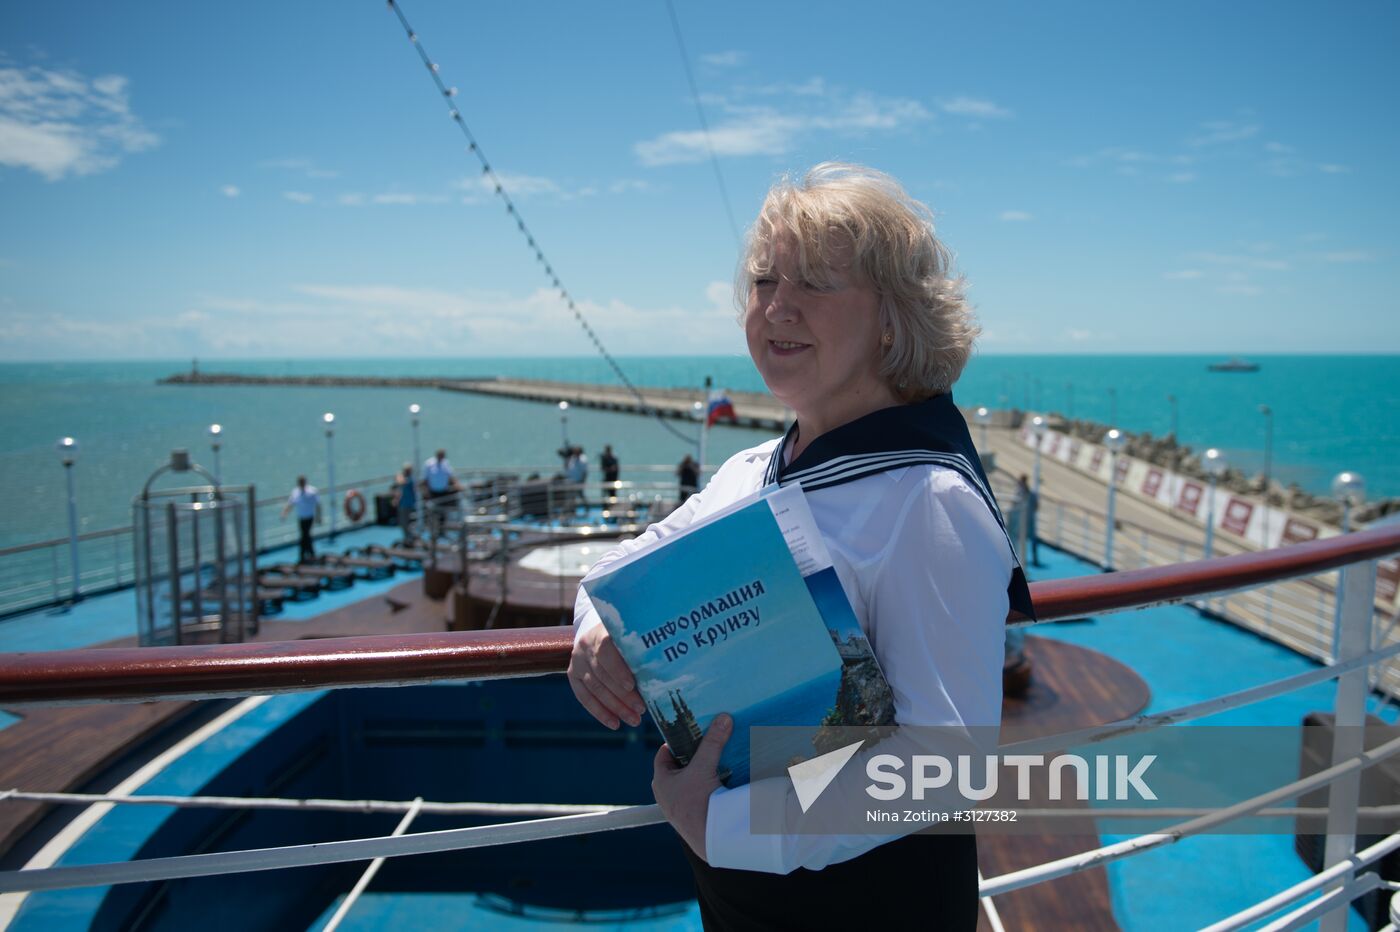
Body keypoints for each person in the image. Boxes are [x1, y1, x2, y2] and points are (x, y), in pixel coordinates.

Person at [568, 163, 1034, 929]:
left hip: (872, 900)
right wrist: (592, 629)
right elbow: (620, 570)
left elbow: (944, 765)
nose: (776, 308)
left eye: (816, 283)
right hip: (746, 895)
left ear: (893, 317)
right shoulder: (751, 471)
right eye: (762, 281)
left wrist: (724, 826)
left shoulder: (928, 500)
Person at [280, 475, 321, 563]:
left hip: (309, 517)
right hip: (301, 517)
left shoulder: (312, 491)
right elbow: (290, 504)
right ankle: (310, 554)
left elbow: (318, 505)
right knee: (305, 535)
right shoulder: (296, 492)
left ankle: (304, 555)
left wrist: (318, 516)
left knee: (305, 535)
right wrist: (284, 513)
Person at [422, 449, 459, 537]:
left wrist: (457, 485)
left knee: (443, 512)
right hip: (433, 493)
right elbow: (425, 479)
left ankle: (442, 531)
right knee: (433, 512)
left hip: (444, 492)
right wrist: (425, 492)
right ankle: (433, 531)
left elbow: (451, 476)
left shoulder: (445, 463)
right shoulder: (429, 464)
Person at [1017, 473, 1042, 566]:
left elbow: (1036, 506)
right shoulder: (1027, 493)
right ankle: (1022, 559)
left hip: (1026, 520)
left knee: (1028, 540)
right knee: (1023, 540)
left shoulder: (1025, 493)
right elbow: (1036, 506)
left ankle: (1032, 559)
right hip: (1025, 519)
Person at [392, 463, 418, 543]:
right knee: (406, 522)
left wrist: (398, 475)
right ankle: (409, 536)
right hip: (405, 503)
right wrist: (396, 500)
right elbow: (400, 490)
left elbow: (401, 482)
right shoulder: (408, 478)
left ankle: (408, 538)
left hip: (407, 504)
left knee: (405, 522)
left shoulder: (410, 479)